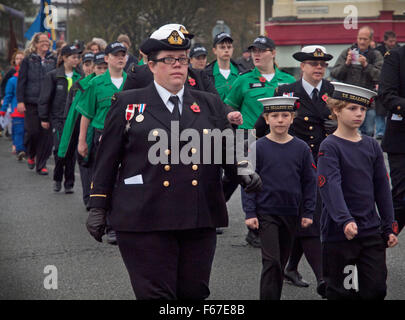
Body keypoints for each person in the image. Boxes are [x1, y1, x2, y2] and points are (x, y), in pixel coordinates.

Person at [85, 26, 262, 300]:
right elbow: (107, 159)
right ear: (151, 65)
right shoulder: (128, 104)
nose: (178, 65)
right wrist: (98, 205)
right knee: (156, 295)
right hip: (144, 217)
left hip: (197, 217)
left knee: (194, 292)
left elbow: (227, 145)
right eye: (169, 59)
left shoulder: (209, 103)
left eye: (182, 59)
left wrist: (244, 168)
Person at [254, 46, 334, 294]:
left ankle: (292, 267)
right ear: (302, 66)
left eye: (322, 64)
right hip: (294, 163)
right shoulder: (287, 91)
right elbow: (261, 126)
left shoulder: (332, 92)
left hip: (324, 162)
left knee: (307, 217)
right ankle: (322, 278)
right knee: (309, 217)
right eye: (312, 63)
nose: (318, 68)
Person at [318, 82, 398, 300]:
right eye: (352, 108)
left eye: (363, 109)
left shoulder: (371, 145)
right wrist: (345, 220)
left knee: (376, 290)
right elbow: (330, 185)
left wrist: (390, 225)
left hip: (370, 230)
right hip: (340, 233)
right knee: (344, 292)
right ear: (336, 109)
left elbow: (382, 188)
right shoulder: (330, 146)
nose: (359, 114)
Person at [224, 36, 296, 247]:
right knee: (247, 180)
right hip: (246, 136)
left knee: (274, 180)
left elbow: (295, 110)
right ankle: (252, 228)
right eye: (254, 50)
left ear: (273, 53)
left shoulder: (287, 80)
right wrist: (233, 114)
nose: (256, 54)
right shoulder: (244, 80)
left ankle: (274, 222)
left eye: (262, 50)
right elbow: (228, 104)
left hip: (277, 137)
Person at [244, 96, 316, 300]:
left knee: (281, 262)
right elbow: (247, 183)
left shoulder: (301, 148)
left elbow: (309, 183)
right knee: (271, 261)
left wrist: (308, 212)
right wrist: (250, 212)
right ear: (266, 119)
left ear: (293, 118)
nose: (280, 120)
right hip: (266, 213)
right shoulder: (257, 147)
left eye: (285, 115)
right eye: (274, 116)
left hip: (291, 213)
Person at [77, 42, 127, 244]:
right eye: (116, 55)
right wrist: (82, 141)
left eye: (123, 54)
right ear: (106, 59)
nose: (120, 58)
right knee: (107, 179)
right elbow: (86, 115)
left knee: (125, 181)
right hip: (102, 136)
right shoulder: (96, 84)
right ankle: (110, 224)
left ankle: (123, 221)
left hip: (127, 137)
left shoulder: (131, 82)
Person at [58, 52, 107, 208]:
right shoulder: (81, 84)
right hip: (82, 129)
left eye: (105, 68)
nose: (102, 71)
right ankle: (88, 197)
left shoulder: (115, 83)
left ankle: (99, 198)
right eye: (99, 68)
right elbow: (72, 111)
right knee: (85, 163)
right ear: (91, 68)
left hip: (101, 130)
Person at [38, 44, 82, 193]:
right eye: (73, 57)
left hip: (74, 119)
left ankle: (69, 183)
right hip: (58, 119)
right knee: (59, 150)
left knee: (71, 151)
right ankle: (57, 178)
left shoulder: (80, 76)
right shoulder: (53, 75)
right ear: (64, 58)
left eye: (78, 57)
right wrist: (44, 117)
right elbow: (45, 98)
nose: (76, 60)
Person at [330, 26, 383, 137]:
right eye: (360, 38)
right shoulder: (347, 52)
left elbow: (381, 76)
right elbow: (334, 73)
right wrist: (347, 64)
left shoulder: (376, 55)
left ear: (371, 40)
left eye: (365, 39)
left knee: (368, 132)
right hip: (347, 99)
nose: (362, 42)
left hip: (367, 100)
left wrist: (366, 65)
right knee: (346, 130)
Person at [17, 32, 57, 175]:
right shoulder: (28, 60)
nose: (45, 43)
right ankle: (31, 153)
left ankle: (42, 164)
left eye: (47, 41)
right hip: (31, 102)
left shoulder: (53, 59)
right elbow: (21, 81)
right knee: (33, 132)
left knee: (46, 136)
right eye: (42, 41)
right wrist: (20, 101)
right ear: (36, 44)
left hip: (48, 103)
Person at [378, 44, 405, 234]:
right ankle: (380, 242)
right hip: (402, 140)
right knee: (402, 198)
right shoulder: (395, 56)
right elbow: (386, 95)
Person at [205, 32, 246, 102]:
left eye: (229, 47)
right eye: (222, 47)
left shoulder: (242, 72)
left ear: (233, 49)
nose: (226, 50)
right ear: (214, 50)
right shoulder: (206, 74)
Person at [375, 31, 400, 139]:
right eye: (390, 41)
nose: (392, 43)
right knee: (380, 110)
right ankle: (380, 131)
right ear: (385, 41)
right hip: (381, 82)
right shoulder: (379, 51)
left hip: (394, 84)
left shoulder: (399, 50)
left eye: (394, 41)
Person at [1, 53, 26, 160]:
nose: (19, 60)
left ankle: (24, 149)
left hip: (30, 110)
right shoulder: (12, 80)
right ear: (14, 61)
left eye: (22, 58)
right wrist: (3, 109)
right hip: (17, 110)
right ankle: (20, 150)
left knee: (27, 132)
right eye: (17, 58)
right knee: (18, 130)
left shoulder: (31, 79)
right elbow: (8, 96)